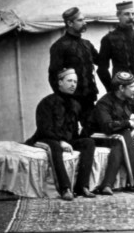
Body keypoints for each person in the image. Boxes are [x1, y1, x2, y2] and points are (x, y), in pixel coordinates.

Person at [25, 68, 96, 200]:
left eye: (75, 81)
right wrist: (61, 141)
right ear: (60, 83)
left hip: (66, 140)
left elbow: (75, 130)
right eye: (69, 81)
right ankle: (65, 188)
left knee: (89, 142)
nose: (73, 84)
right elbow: (43, 128)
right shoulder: (46, 102)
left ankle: (83, 186)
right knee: (55, 146)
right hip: (45, 138)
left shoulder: (75, 104)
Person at [84, 71, 134, 194]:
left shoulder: (128, 100)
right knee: (124, 133)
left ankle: (107, 185)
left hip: (115, 138)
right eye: (132, 86)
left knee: (120, 142)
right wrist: (128, 122)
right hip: (95, 136)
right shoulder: (104, 103)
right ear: (121, 88)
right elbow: (107, 127)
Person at [48, 7, 99, 126]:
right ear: (70, 23)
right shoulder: (59, 46)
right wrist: (63, 101)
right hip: (71, 101)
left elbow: (101, 61)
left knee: (92, 130)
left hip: (89, 100)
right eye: (80, 20)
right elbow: (53, 76)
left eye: (84, 19)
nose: (84, 23)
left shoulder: (87, 45)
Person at [97, 1, 134, 100]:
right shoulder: (109, 39)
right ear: (118, 15)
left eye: (132, 14)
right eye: (126, 14)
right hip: (121, 93)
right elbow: (102, 69)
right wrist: (112, 89)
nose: (131, 17)